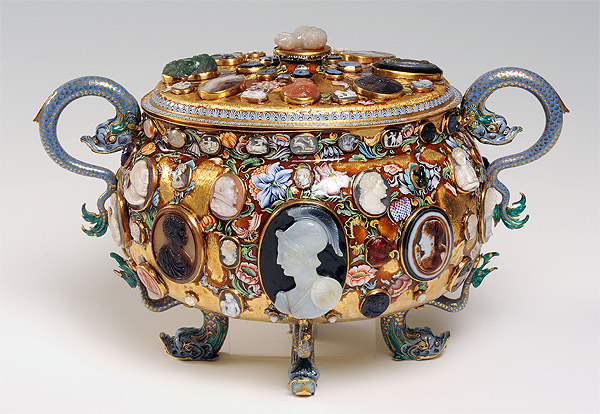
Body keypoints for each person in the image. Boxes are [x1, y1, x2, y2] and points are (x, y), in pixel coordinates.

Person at [274, 218, 342, 319]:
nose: (278, 261)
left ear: (304, 256)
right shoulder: (283, 299)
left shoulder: (329, 291)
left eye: (285, 255)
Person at [157, 215, 193, 280]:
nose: (186, 235)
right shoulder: (163, 256)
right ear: (172, 235)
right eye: (182, 232)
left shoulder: (185, 259)